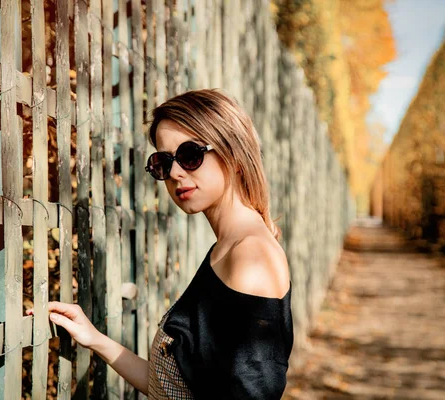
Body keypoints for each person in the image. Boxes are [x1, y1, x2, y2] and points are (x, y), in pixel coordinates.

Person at [29, 88, 293, 399]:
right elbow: (172, 388)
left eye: (190, 155)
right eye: (163, 162)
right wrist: (95, 338)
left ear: (233, 155)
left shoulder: (249, 257)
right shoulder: (230, 248)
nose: (176, 173)